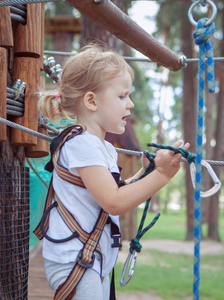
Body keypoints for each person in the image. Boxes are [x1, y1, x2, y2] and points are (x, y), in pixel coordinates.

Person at [37, 43, 190, 300]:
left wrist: (143, 176)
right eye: (122, 96)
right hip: (75, 260)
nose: (130, 104)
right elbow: (113, 202)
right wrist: (161, 175)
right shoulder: (81, 144)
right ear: (91, 101)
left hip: (90, 257)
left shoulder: (101, 147)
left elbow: (109, 191)